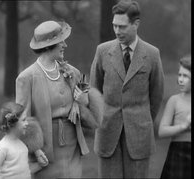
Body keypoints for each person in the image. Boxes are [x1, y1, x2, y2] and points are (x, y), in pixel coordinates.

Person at [15, 20, 104, 179]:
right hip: (46, 150)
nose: (65, 45)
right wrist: (35, 149)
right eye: (61, 41)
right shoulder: (26, 78)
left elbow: (90, 114)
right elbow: (23, 119)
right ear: (49, 46)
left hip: (72, 147)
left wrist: (85, 101)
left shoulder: (73, 72)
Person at [89, 0, 164, 178]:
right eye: (114, 26)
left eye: (122, 26)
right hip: (107, 134)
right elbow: (94, 91)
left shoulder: (152, 54)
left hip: (139, 136)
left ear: (136, 24)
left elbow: (157, 95)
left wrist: (141, 119)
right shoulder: (102, 51)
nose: (117, 31)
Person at [158, 55, 191, 179]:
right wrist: (183, 126)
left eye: (185, 76)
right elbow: (162, 131)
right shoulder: (174, 101)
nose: (181, 80)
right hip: (178, 154)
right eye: (180, 75)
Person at [0, 102, 31, 179]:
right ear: (12, 123)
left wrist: (40, 165)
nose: (27, 123)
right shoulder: (3, 148)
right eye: (23, 120)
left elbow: (22, 170)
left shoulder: (22, 144)